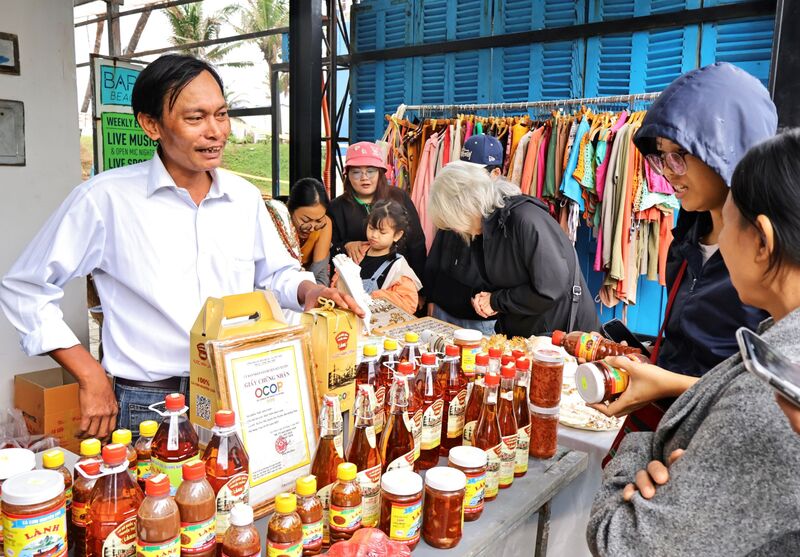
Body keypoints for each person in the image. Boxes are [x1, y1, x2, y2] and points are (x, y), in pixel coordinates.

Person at [0, 54, 361, 438]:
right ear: (151, 124)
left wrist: (308, 289)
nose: (216, 131)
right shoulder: (106, 199)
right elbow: (25, 286)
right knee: (156, 498)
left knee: (239, 497)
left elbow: (275, 273)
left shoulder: (242, 197)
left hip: (238, 386)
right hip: (149, 402)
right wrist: (89, 373)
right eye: (195, 118)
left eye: (221, 115)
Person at [587, 130, 800, 557]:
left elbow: (622, 540)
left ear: (762, 240)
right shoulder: (773, 344)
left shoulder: (773, 393)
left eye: (727, 222)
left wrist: (643, 452)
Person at [594, 62, 777, 463]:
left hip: (721, 453)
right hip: (669, 434)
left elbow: (769, 395)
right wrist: (650, 363)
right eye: (661, 158)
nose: (668, 174)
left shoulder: (773, 260)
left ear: (727, 150)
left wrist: (665, 383)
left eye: (680, 156)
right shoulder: (688, 233)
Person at [428, 161, 599, 337]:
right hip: (532, 335)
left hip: (563, 338)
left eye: (451, 221)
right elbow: (506, 279)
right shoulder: (488, 229)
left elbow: (549, 289)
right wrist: (485, 297)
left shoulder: (524, 219)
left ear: (464, 206)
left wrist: (495, 301)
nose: (455, 230)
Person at [425, 134, 506, 335]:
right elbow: (437, 253)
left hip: (480, 321)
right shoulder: (455, 200)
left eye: (473, 174)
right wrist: (431, 297)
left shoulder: (507, 216)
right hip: (442, 312)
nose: (465, 181)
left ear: (495, 173)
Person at [329, 142, 427, 298]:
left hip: (397, 286)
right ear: (347, 175)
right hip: (355, 291)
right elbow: (330, 247)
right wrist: (345, 245)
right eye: (356, 172)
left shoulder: (398, 197)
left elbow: (416, 244)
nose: (364, 178)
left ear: (380, 173)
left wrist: (422, 291)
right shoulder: (336, 207)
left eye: (370, 171)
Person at [359, 200, 422, 316]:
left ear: (397, 235)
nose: (374, 235)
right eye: (371, 228)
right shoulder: (358, 253)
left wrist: (376, 296)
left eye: (382, 232)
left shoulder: (399, 267)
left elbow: (409, 304)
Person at [287, 177, 332, 286]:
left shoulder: (325, 225)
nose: (312, 228)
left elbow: (320, 272)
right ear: (290, 210)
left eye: (318, 220)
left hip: (311, 287)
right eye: (305, 220)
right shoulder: (277, 224)